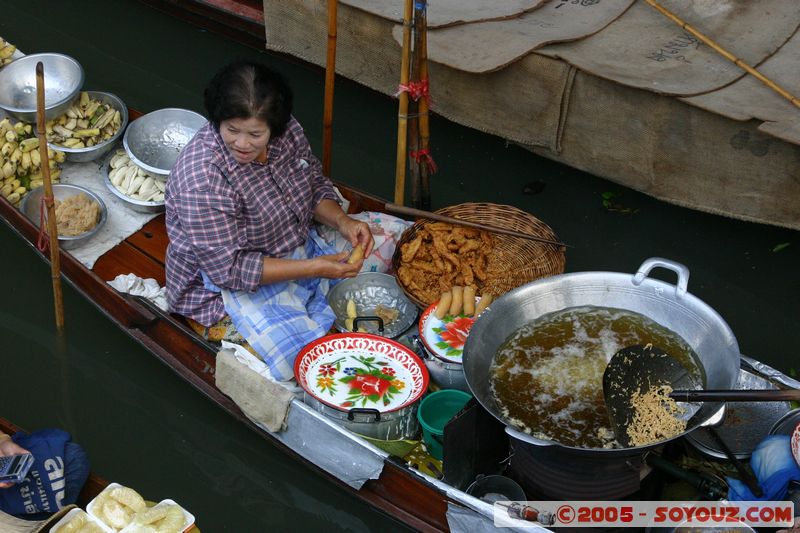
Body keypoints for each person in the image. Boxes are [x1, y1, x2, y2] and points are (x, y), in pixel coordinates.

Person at [165, 61, 374, 380]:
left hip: (293, 240)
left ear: (273, 126)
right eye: (231, 129)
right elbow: (230, 269)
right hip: (224, 281)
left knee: (387, 241)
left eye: (255, 133)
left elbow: (313, 184)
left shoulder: (287, 131)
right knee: (307, 361)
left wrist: (343, 221)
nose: (242, 144)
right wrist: (316, 267)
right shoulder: (204, 180)